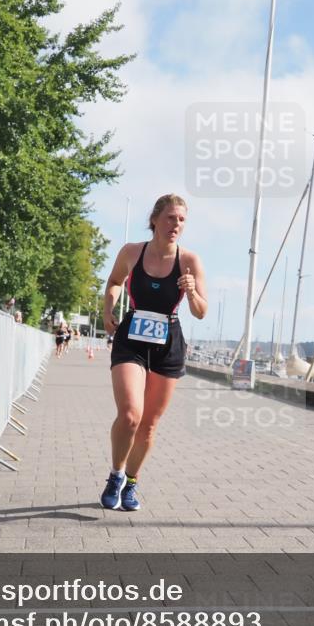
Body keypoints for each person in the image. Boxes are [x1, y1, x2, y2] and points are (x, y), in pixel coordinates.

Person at [100, 194, 207, 511]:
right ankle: (116, 475)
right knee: (131, 414)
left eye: (182, 220)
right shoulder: (133, 252)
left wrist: (190, 292)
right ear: (156, 219)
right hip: (131, 336)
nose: (176, 224)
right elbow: (115, 281)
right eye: (171, 217)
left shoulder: (189, 261)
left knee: (148, 424)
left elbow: (201, 312)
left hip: (168, 342)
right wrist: (108, 309)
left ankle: (132, 483)